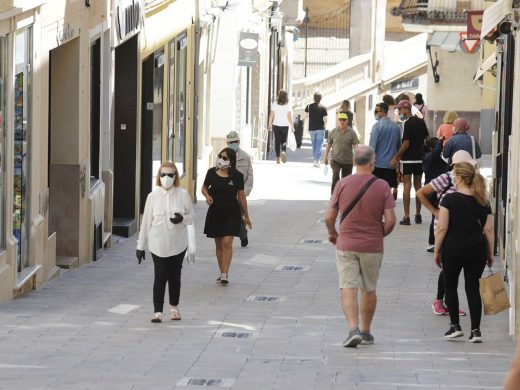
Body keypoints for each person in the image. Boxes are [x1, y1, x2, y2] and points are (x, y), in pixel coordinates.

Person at [325, 145, 396, 347]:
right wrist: (378, 234)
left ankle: (352, 328)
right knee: (369, 288)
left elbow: (329, 217)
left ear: (355, 162)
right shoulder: (382, 186)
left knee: (348, 286)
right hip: (372, 245)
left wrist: (332, 233)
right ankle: (365, 332)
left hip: (346, 243)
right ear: (373, 163)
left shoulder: (342, 184)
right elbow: (390, 221)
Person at [434, 162, 493, 342]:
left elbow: (442, 228)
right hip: (477, 249)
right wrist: (490, 253)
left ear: (458, 178)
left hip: (453, 248)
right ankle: (475, 331)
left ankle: (455, 326)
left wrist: (437, 250)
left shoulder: (449, 200)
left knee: (450, 286)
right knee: (473, 288)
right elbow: (489, 229)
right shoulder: (483, 201)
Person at [416, 150, 476, 317]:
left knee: (451, 266)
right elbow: (421, 192)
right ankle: (440, 301)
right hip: (443, 227)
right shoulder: (447, 178)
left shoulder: (471, 179)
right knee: (448, 267)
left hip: (460, 228)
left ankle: (448, 302)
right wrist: (434, 210)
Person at [136, 162, 194, 323]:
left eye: (170, 175)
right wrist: (140, 246)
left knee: (175, 276)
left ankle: (174, 308)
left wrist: (182, 218)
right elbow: (146, 221)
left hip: (178, 244)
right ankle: (157, 311)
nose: (166, 178)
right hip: (158, 244)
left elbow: (191, 217)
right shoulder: (152, 197)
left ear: (175, 177)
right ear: (158, 177)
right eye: (163, 175)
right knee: (160, 275)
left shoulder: (183, 194)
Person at [202, 147, 252, 285]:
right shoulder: (211, 173)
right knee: (218, 245)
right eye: (220, 156)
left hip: (232, 213)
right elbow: (204, 187)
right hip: (215, 212)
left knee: (227, 242)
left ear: (231, 161)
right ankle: (221, 270)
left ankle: (225, 274)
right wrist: (207, 196)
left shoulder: (237, 176)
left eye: (225, 158)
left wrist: (247, 216)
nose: (221, 160)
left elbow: (241, 197)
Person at [390, 99, 429, 225]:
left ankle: (406, 217)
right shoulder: (421, 122)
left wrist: (396, 155)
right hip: (419, 158)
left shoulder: (407, 123)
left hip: (407, 160)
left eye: (400, 109)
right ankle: (418, 215)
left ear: (406, 109)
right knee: (418, 186)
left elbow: (406, 143)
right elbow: (426, 139)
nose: (399, 111)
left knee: (407, 186)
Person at [226, 130, 254, 247]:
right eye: (231, 142)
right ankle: (231, 238)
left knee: (238, 216)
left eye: (235, 141)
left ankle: (243, 235)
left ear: (239, 141)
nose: (233, 144)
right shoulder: (223, 156)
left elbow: (250, 176)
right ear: (227, 143)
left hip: (240, 195)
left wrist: (244, 192)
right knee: (229, 217)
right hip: (227, 194)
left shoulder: (246, 157)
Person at [369, 102, 401, 196]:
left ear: (382, 112)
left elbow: (372, 147)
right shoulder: (396, 127)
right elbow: (399, 146)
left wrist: (370, 163)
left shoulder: (376, 126)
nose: (375, 113)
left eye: (376, 111)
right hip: (391, 166)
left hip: (378, 165)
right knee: (387, 194)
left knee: (376, 194)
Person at [323, 112, 359, 194]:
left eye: (344, 120)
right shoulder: (333, 131)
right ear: (338, 121)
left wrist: (356, 158)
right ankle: (334, 196)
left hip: (348, 160)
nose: (342, 122)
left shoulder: (351, 132)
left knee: (346, 180)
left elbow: (356, 146)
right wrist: (325, 157)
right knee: (335, 176)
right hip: (335, 159)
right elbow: (328, 145)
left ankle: (345, 196)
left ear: (347, 121)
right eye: (340, 120)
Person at [268, 90, 294, 164]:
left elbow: (271, 115)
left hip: (276, 125)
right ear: (286, 97)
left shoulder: (275, 104)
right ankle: (283, 151)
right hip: (285, 125)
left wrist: (269, 124)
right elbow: (289, 117)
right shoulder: (288, 104)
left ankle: (278, 158)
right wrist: (292, 126)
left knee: (277, 141)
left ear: (279, 96)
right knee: (283, 141)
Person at [304, 92, 328, 167]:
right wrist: (325, 126)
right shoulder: (323, 107)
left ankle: (315, 160)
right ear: (320, 99)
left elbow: (305, 116)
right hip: (320, 128)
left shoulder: (308, 106)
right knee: (319, 145)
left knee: (314, 145)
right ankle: (317, 160)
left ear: (314, 98)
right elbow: (326, 119)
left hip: (312, 128)